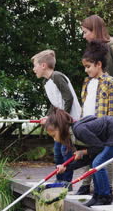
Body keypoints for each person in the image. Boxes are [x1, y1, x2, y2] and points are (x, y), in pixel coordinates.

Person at [79, 15, 113, 197]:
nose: (83, 35)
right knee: (103, 141)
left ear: (95, 30)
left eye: (85, 31)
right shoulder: (97, 49)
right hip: (107, 102)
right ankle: (97, 181)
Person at [44, 107, 113, 207]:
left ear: (60, 128)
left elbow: (99, 147)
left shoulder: (79, 131)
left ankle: (105, 196)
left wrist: (83, 151)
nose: (55, 140)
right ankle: (97, 196)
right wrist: (66, 167)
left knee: (98, 163)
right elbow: (87, 159)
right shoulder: (73, 137)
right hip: (111, 135)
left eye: (54, 135)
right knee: (93, 163)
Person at [31, 49, 81, 186]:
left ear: (43, 65)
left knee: (66, 152)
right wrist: (47, 117)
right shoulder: (46, 83)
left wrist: (59, 119)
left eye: (35, 65)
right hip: (60, 121)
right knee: (57, 153)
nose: (33, 69)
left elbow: (68, 98)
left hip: (68, 121)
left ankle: (66, 182)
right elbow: (54, 105)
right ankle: (59, 179)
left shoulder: (57, 77)